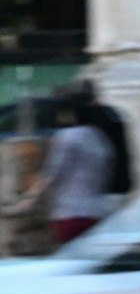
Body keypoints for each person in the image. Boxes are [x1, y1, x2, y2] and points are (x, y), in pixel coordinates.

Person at [16, 92, 115, 244]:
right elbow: (107, 171)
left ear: (71, 114)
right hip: (95, 212)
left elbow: (52, 172)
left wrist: (30, 199)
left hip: (69, 213)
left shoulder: (67, 137)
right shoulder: (99, 137)